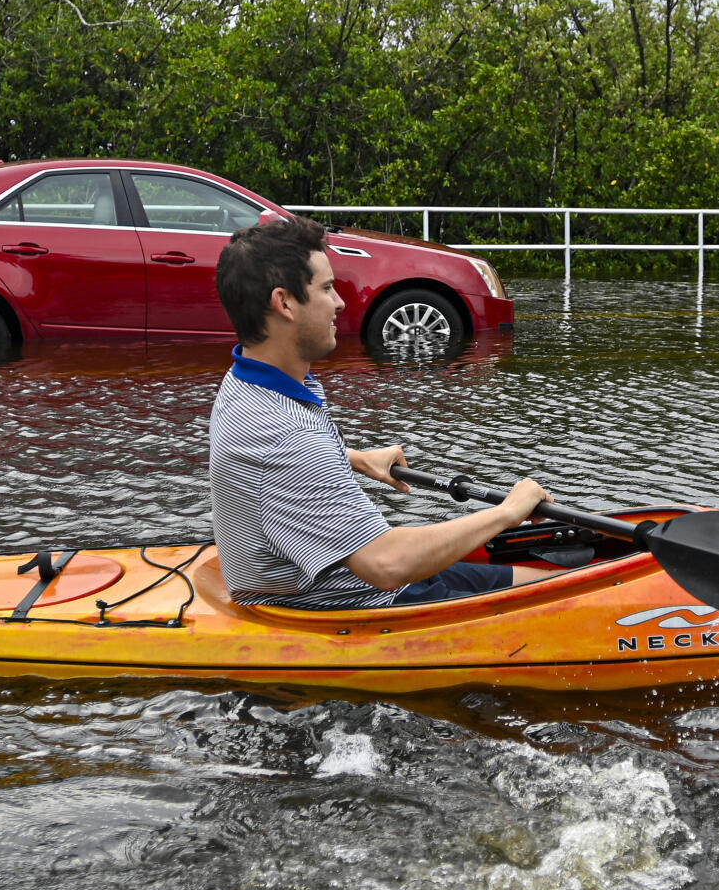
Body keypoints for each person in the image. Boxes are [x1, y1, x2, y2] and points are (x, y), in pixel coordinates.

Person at [207, 215, 545, 608]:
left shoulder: (245, 382)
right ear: (283, 303)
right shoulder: (287, 437)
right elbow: (383, 564)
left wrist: (349, 458)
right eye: (327, 288)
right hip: (357, 601)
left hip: (343, 580)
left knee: (548, 577)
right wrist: (507, 512)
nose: (340, 302)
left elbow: (265, 463)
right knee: (558, 593)